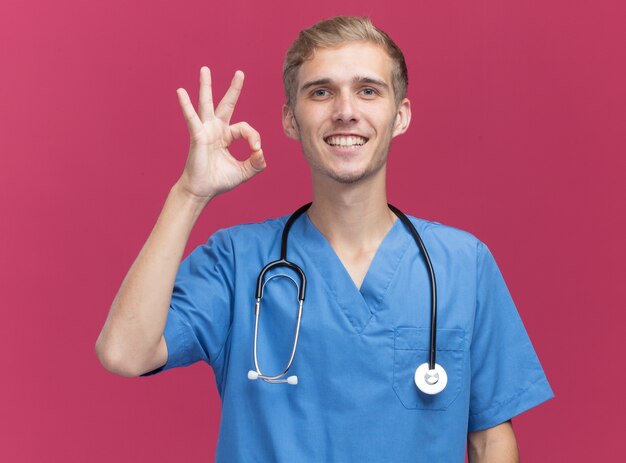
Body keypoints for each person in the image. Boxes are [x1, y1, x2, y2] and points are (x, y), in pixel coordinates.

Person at [96, 16, 553, 462]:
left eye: (368, 91)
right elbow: (124, 353)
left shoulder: (463, 265)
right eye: (321, 92)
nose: (345, 111)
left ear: (401, 116)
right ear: (291, 120)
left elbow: (489, 441)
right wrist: (190, 193)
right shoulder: (237, 261)